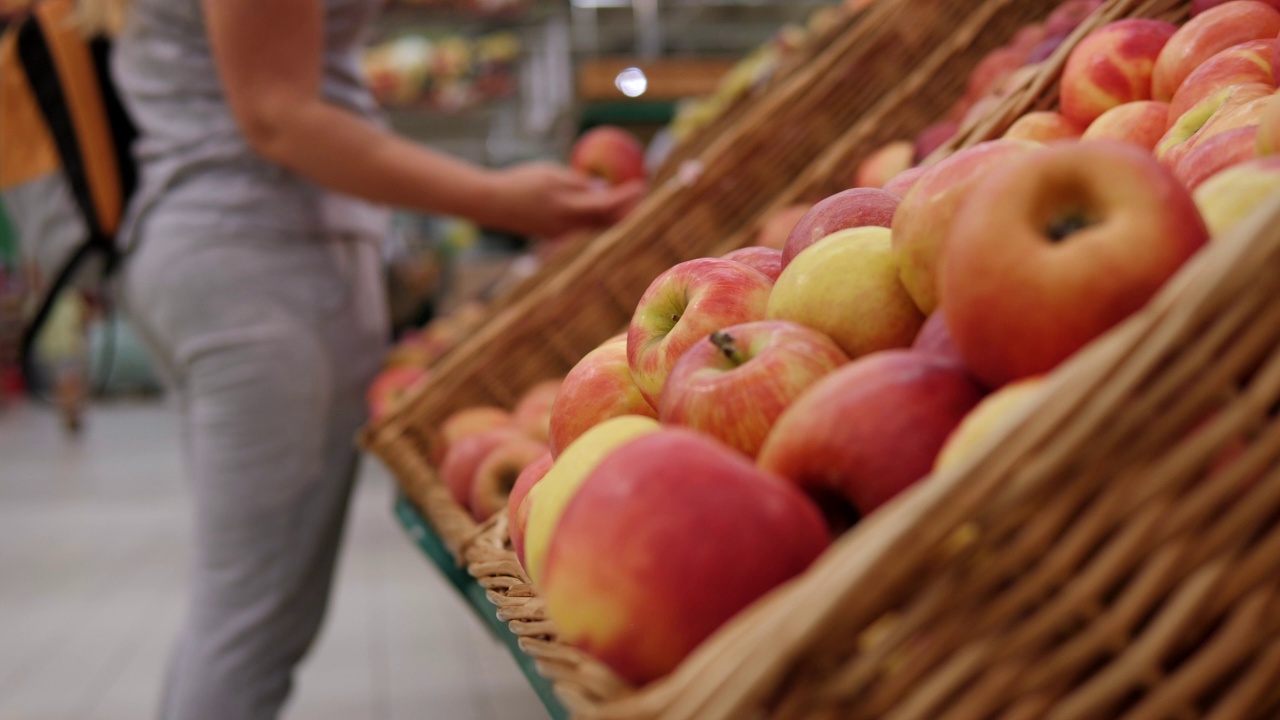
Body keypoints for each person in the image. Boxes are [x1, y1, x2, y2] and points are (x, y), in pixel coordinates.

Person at [72, 0, 645, 718]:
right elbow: (278, 113)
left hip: (222, 256)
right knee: (252, 622)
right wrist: (497, 198)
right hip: (265, 266)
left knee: (250, 609)